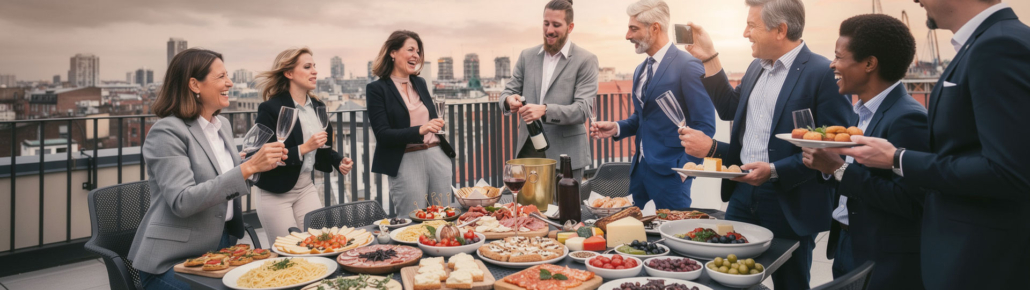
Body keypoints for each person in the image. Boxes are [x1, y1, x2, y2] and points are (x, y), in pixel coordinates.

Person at [831, 1, 1030, 288]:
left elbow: (1009, 171)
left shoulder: (998, 44)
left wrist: (898, 159)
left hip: (977, 260)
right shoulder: (993, 40)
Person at [676, 0, 851, 288]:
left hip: (789, 200)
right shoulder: (756, 67)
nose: (746, 33)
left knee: (790, 283)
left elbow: (832, 149)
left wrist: (773, 170)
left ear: (780, 30)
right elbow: (730, 109)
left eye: (751, 25)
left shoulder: (822, 72)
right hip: (742, 194)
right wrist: (709, 57)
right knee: (727, 277)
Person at [127, 48, 287, 290]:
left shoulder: (221, 124)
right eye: (221, 77)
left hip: (221, 249)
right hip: (174, 260)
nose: (230, 83)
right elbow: (183, 201)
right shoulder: (167, 132)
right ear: (194, 84)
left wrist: (256, 166)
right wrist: (247, 168)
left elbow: (223, 178)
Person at [800, 14, 926, 289]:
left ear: (869, 63)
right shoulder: (861, 115)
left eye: (838, 56)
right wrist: (826, 166)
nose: (832, 64)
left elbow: (911, 203)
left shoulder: (908, 118)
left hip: (883, 260)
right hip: (849, 244)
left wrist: (837, 168)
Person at [590, 0, 716, 209]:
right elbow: (642, 118)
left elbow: (705, 125)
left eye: (633, 29)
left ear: (655, 28)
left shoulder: (688, 65)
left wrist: (685, 169)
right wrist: (617, 127)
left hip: (672, 175)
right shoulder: (640, 69)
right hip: (639, 172)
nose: (627, 35)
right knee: (637, 236)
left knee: (673, 236)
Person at [253, 47, 354, 243]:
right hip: (275, 191)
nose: (315, 71)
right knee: (289, 252)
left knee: (319, 245)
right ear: (288, 73)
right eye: (307, 67)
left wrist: (338, 160)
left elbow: (322, 146)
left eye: (314, 66)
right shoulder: (270, 109)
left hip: (306, 187)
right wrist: (304, 148)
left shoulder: (318, 107)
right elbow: (265, 157)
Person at [499, 0, 598, 182]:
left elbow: (583, 109)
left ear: (570, 27)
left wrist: (544, 110)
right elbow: (506, 93)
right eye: (546, 23)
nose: (549, 30)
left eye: (556, 25)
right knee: (527, 209)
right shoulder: (526, 56)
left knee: (566, 210)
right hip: (528, 151)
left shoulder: (586, 60)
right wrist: (509, 101)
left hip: (567, 154)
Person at [367, 30, 455, 216]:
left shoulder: (420, 82)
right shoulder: (376, 89)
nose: (416, 55)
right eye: (411, 49)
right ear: (393, 52)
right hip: (406, 159)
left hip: (437, 156)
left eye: (418, 51)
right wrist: (420, 129)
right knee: (412, 221)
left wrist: (434, 125)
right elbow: (382, 135)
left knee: (444, 218)